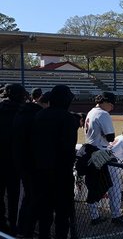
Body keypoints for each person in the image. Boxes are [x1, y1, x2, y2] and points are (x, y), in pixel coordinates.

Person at [33, 85, 80, 239]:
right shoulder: (68, 119)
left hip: (40, 170)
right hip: (61, 173)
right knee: (62, 213)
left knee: (44, 212)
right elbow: (68, 147)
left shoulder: (39, 115)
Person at [82, 92, 123, 226]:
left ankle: (95, 216)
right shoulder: (103, 114)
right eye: (111, 104)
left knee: (94, 184)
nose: (112, 107)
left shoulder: (91, 112)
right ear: (105, 102)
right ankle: (116, 216)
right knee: (114, 185)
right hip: (102, 152)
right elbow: (110, 137)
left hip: (90, 151)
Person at [11, 85, 45, 237]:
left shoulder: (21, 113)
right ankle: (25, 229)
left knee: (25, 197)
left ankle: (19, 228)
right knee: (29, 198)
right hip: (30, 164)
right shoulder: (34, 114)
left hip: (19, 161)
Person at [0, 84, 25, 234]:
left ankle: (2, 224)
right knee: (14, 195)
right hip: (16, 161)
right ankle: (13, 225)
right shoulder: (21, 112)